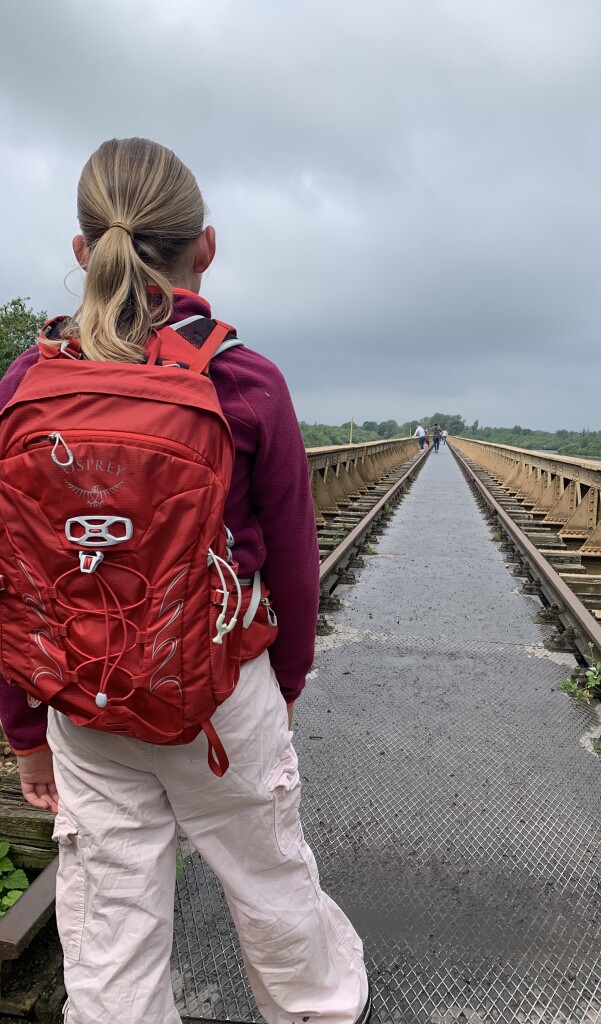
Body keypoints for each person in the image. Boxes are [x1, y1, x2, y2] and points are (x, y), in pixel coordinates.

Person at [0, 139, 371, 1024]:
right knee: (267, 870)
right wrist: (283, 685)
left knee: (112, 907)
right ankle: (317, 1010)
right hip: (217, 693)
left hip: (82, 696)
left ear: (86, 250)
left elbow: (10, 573)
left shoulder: (23, 383)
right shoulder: (243, 379)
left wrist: (24, 729)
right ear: (204, 247)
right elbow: (291, 561)